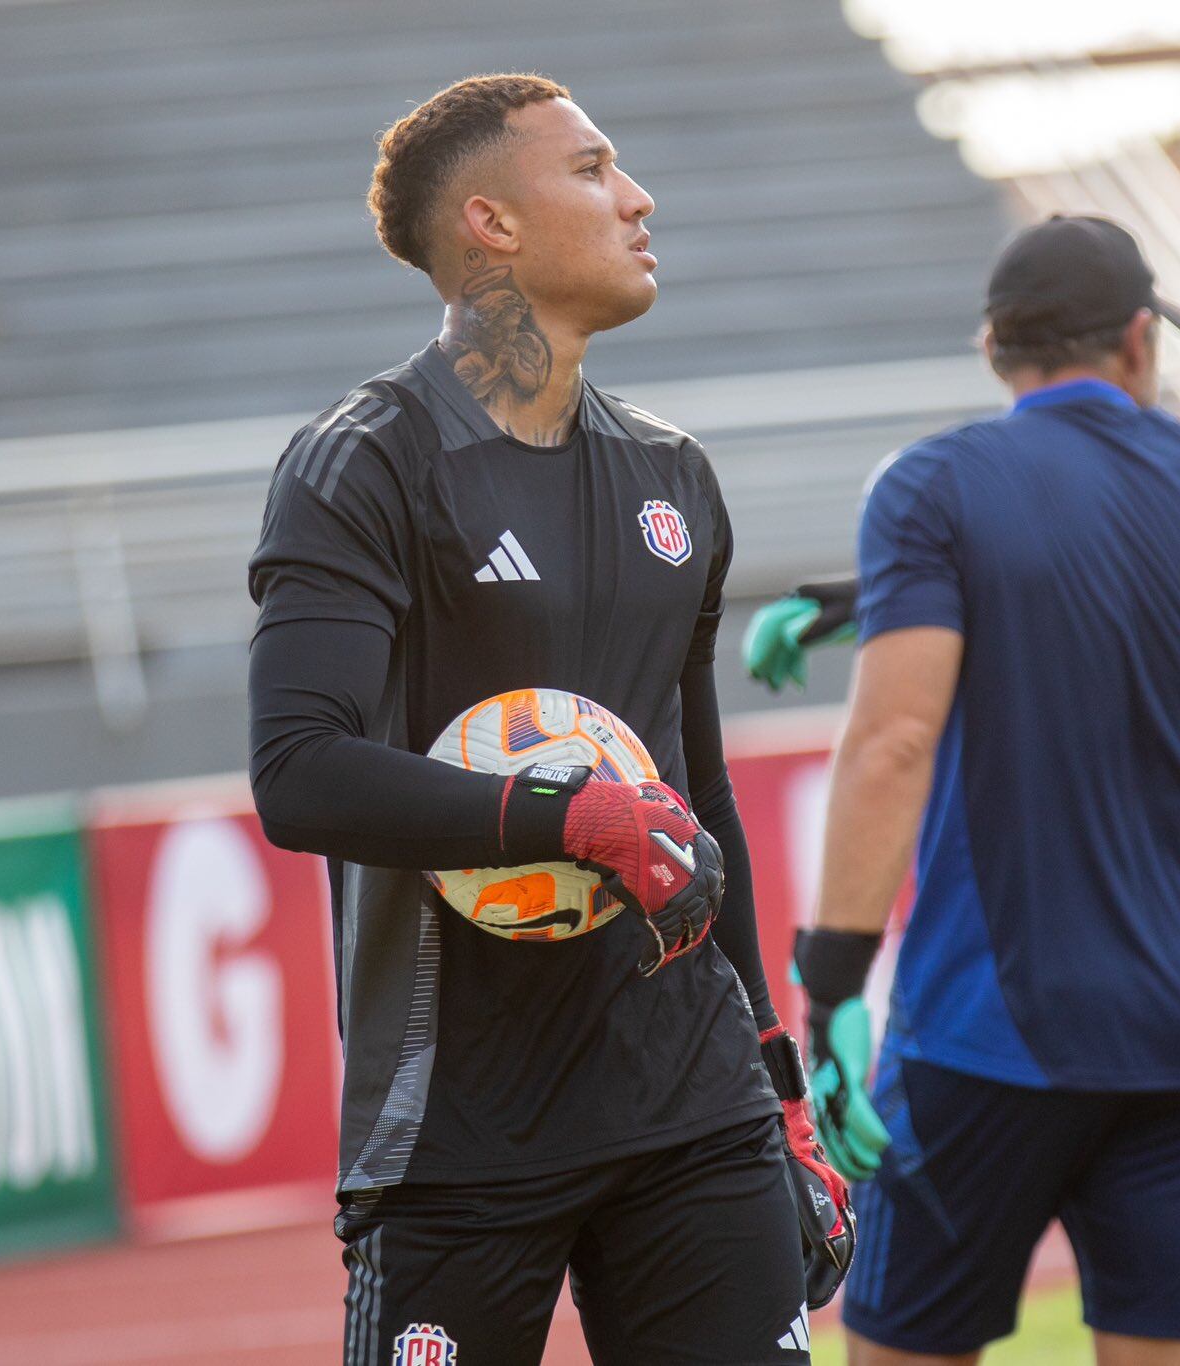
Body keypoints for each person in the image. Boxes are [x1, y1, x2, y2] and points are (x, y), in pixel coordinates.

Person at [246, 73, 850, 1365]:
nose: (637, 199)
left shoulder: (672, 474)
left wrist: (774, 1079)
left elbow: (701, 796)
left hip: (691, 1103)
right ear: (491, 225)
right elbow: (300, 775)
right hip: (455, 1128)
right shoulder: (365, 463)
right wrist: (564, 816)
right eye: (592, 168)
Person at [794, 215, 1180, 1365]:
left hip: (992, 1028)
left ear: (994, 349)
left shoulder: (933, 488)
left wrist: (833, 982)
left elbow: (891, 742)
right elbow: (1099, 570)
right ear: (1140, 342)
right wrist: (886, 587)